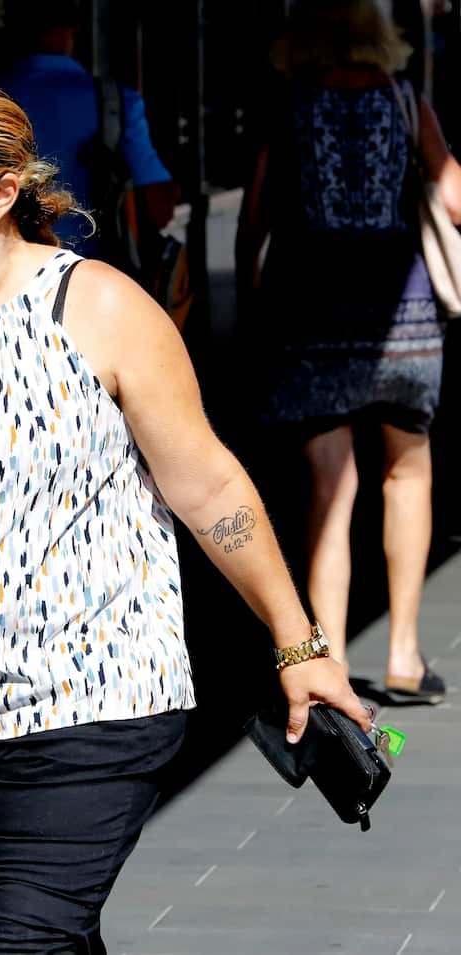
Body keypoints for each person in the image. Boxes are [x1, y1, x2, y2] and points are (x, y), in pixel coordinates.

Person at [0, 80, 371, 953]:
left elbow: (209, 488)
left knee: (14, 943)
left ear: (1, 193)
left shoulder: (97, 307)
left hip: (93, 696)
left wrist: (300, 645)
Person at [236, 0, 461, 701]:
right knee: (408, 476)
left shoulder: (289, 103)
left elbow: (256, 217)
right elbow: (452, 196)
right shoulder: (404, 98)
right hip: (404, 317)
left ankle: (324, 657)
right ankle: (403, 654)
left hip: (311, 309)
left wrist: (251, 303)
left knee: (331, 490)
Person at [0, 0, 178, 257]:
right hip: (94, 272)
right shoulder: (115, 103)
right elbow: (159, 209)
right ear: (74, 29)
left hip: (3, 271)